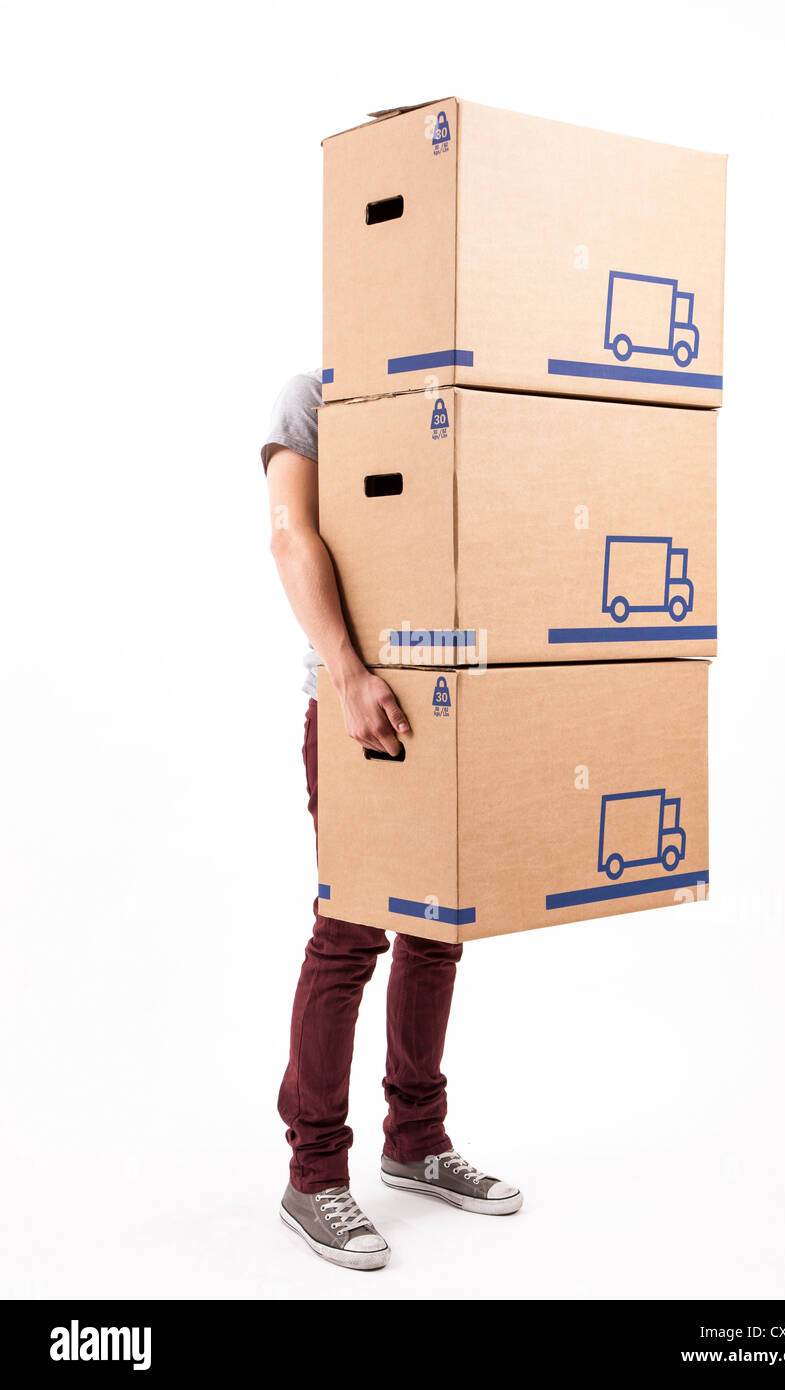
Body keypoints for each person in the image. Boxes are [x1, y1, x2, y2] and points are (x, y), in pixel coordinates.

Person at [262, 371, 523, 1271]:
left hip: (451, 699)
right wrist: (346, 673)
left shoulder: (463, 387)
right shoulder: (316, 395)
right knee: (350, 930)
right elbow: (291, 534)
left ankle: (416, 1141)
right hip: (356, 708)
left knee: (437, 928)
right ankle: (313, 1175)